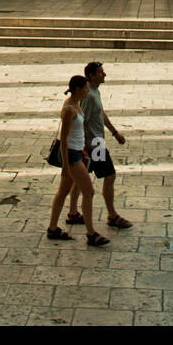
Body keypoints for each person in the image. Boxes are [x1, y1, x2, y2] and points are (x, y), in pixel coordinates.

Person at [64, 62, 132, 231]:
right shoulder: (88, 96)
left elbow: (100, 113)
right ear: (92, 76)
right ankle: (112, 215)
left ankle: (73, 211)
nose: (104, 74)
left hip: (94, 142)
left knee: (81, 178)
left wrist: (115, 133)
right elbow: (82, 121)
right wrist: (87, 145)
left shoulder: (94, 92)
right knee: (110, 175)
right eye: (100, 72)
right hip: (95, 144)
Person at [47, 75, 109, 247]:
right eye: (86, 88)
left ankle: (52, 227)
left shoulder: (77, 104)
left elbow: (79, 131)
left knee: (63, 192)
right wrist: (66, 166)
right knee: (88, 191)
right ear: (78, 89)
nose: (88, 91)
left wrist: (84, 149)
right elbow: (64, 139)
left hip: (77, 153)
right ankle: (91, 233)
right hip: (71, 156)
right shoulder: (69, 110)